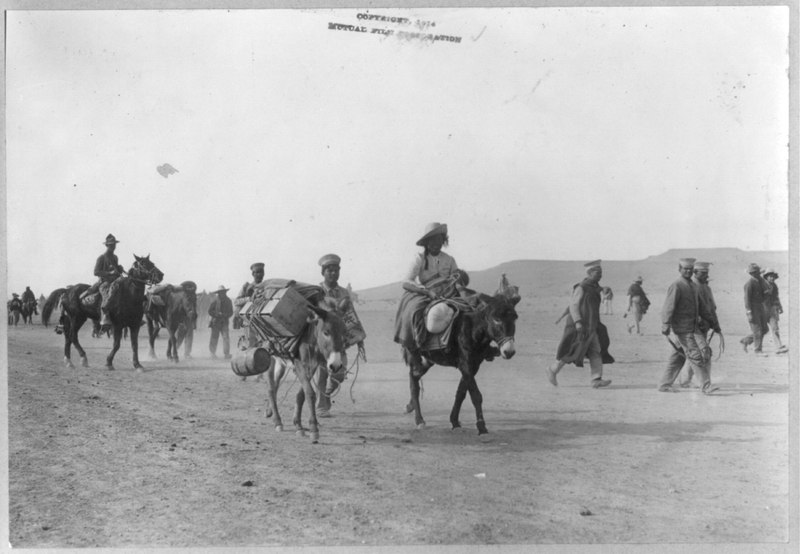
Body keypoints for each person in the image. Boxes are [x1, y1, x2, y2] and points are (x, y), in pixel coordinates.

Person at [393, 222, 469, 356]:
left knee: (470, 309)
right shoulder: (420, 258)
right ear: (426, 243)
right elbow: (406, 282)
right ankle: (417, 344)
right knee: (415, 310)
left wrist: (461, 284)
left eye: (439, 240)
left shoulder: (449, 260)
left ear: (443, 241)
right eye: (432, 240)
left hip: (449, 292)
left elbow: (457, 278)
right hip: (427, 293)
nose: (436, 243)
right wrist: (426, 291)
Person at [546, 260, 612, 389]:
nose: (600, 275)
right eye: (597, 273)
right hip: (580, 326)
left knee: (595, 350)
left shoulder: (594, 288)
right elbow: (573, 305)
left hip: (591, 326)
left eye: (601, 273)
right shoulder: (581, 287)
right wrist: (577, 322)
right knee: (573, 350)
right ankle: (552, 370)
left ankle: (596, 379)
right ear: (589, 273)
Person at [315, 253, 367, 417]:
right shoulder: (317, 291)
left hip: (338, 341)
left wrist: (358, 339)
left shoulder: (344, 292)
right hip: (322, 341)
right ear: (323, 272)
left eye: (336, 270)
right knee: (322, 373)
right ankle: (321, 406)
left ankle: (327, 394)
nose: (333, 273)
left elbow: (351, 317)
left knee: (340, 373)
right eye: (329, 270)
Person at [659, 258, 720, 394]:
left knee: (679, 356)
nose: (688, 271)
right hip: (682, 328)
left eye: (690, 269)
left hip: (694, 328)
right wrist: (666, 324)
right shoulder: (676, 285)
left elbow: (703, 308)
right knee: (695, 355)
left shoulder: (693, 286)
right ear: (679, 269)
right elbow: (668, 306)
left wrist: (714, 324)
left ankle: (664, 384)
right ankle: (706, 386)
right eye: (685, 269)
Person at [678, 261, 723, 388]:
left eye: (707, 273)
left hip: (705, 326)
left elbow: (711, 308)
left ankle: (685, 380)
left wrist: (715, 325)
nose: (706, 276)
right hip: (692, 327)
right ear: (695, 273)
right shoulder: (691, 287)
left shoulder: (706, 288)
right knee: (703, 353)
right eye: (703, 273)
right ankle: (705, 383)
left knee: (694, 354)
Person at [80, 234, 125, 331]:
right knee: (108, 295)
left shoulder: (115, 257)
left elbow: (116, 270)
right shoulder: (101, 258)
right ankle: (105, 316)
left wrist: (119, 269)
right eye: (111, 245)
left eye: (114, 245)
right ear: (107, 246)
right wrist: (109, 272)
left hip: (115, 281)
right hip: (104, 282)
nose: (113, 247)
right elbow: (96, 272)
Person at [740, 263, 770, 355]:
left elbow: (766, 292)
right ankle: (758, 350)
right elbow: (747, 300)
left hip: (761, 306)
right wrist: (749, 313)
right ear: (751, 273)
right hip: (753, 308)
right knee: (757, 330)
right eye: (754, 272)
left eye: (757, 271)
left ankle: (746, 340)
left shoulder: (761, 281)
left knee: (765, 329)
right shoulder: (749, 284)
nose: (757, 273)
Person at [234, 262, 266, 348]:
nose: (260, 274)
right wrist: (249, 299)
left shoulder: (266, 286)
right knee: (251, 346)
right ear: (253, 274)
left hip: (263, 321)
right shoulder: (247, 287)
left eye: (262, 272)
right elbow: (236, 301)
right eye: (258, 272)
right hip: (249, 321)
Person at [762, 269, 787, 354]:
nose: (772, 278)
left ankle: (778, 347)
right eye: (770, 276)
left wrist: (780, 307)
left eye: (773, 276)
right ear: (766, 277)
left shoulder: (775, 286)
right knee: (761, 330)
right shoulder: (761, 285)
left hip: (772, 309)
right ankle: (747, 340)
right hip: (763, 309)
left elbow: (776, 297)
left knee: (775, 328)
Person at [208, 285, 233, 359]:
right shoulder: (214, 301)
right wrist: (216, 314)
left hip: (224, 322)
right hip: (215, 322)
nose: (222, 293)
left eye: (223, 292)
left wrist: (224, 315)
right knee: (214, 338)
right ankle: (212, 353)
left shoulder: (228, 301)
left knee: (226, 338)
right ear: (218, 293)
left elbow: (231, 312)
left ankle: (226, 354)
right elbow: (209, 311)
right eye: (220, 292)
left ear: (225, 292)